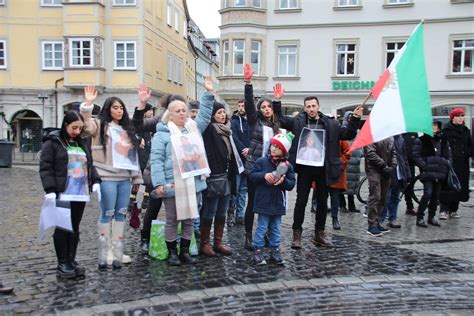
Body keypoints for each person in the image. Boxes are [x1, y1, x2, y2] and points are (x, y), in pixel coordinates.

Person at [150, 76, 214, 266]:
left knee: (188, 219)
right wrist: (159, 184)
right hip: (173, 183)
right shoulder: (162, 134)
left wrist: (209, 94)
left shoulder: (192, 129)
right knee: (172, 219)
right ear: (169, 114)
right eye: (177, 111)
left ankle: (185, 251)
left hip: (191, 182)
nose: (181, 113)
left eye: (184, 110)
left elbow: (204, 116)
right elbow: (156, 160)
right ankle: (172, 253)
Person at [286, 97, 362, 249]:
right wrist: (277, 101)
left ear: (318, 106)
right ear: (304, 108)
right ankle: (297, 234)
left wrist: (355, 119)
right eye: (308, 106)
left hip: (323, 168)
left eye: (313, 106)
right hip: (305, 168)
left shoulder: (331, 123)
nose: (311, 109)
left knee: (322, 202)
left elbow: (347, 134)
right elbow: (280, 120)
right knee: (301, 202)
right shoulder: (299, 121)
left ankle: (319, 234)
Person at [81, 86, 143, 269]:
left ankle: (117, 250)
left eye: (121, 108)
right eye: (115, 107)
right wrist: (88, 105)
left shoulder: (126, 129)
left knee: (120, 214)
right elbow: (86, 127)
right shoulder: (100, 125)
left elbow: (132, 156)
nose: (119, 111)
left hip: (124, 178)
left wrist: (137, 179)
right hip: (106, 176)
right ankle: (105, 250)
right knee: (107, 212)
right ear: (108, 109)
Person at [39, 110, 101, 278]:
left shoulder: (82, 143)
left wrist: (95, 181)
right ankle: (62, 262)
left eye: (80, 128)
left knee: (74, 226)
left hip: (79, 192)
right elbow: (46, 167)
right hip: (62, 191)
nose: (77, 132)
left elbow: (89, 164)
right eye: (74, 128)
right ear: (65, 125)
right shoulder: (53, 143)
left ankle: (71, 259)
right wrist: (50, 190)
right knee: (62, 226)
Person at [242, 64, 292, 251]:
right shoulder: (255, 121)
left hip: (274, 168)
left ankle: (270, 236)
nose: (266, 109)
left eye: (268, 106)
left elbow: (281, 118)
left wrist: (278, 101)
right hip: (256, 168)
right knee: (253, 204)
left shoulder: (278, 124)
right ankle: (249, 236)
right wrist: (248, 84)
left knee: (271, 203)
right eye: (263, 107)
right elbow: (248, 105)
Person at [132, 90, 184, 253]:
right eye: (175, 108)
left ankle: (178, 241)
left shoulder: (186, 122)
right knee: (154, 206)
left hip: (179, 173)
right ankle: (145, 238)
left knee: (179, 209)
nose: (179, 111)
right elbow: (139, 125)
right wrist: (141, 105)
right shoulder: (160, 120)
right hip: (158, 172)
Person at [250, 132, 296, 265]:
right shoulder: (261, 161)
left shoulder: (287, 166)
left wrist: (283, 181)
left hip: (277, 202)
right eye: (272, 146)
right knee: (262, 227)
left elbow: (291, 184)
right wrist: (264, 175)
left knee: (276, 228)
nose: (273, 148)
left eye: (277, 147)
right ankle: (258, 250)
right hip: (263, 201)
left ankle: (275, 250)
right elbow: (252, 176)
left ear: (283, 151)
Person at [200, 101, 238, 257]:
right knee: (210, 211)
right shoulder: (209, 130)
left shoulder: (227, 130)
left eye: (223, 112)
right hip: (215, 177)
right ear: (212, 115)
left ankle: (218, 242)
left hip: (227, 177)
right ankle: (204, 243)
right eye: (219, 113)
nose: (222, 115)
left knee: (222, 211)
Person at [413, 121, 451, 228]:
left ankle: (431, 216)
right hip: (428, 172)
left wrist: (447, 165)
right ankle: (420, 217)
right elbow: (416, 155)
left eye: (436, 126)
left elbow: (449, 156)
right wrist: (425, 166)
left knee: (435, 196)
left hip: (440, 172)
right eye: (432, 125)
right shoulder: (421, 140)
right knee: (427, 194)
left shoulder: (443, 141)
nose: (434, 128)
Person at [439, 108, 472, 219]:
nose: (460, 118)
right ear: (453, 118)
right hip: (450, 163)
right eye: (458, 116)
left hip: (462, 163)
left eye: (462, 116)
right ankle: (444, 210)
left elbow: (470, 145)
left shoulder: (466, 130)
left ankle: (454, 209)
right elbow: (442, 147)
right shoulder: (446, 131)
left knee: (460, 186)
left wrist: (468, 154)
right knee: (448, 186)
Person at [128, 102, 155, 229]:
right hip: (140, 154)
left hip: (148, 154)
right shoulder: (141, 125)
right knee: (138, 178)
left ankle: (145, 199)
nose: (151, 113)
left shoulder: (152, 124)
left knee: (148, 178)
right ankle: (132, 199)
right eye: (150, 111)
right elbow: (133, 132)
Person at [364, 137, 397, 237]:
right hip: (374, 170)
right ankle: (372, 225)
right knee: (375, 196)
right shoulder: (371, 136)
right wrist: (383, 165)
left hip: (386, 170)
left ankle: (377, 222)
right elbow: (370, 153)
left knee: (383, 197)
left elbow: (394, 152)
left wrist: (393, 165)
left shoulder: (390, 137)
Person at [379, 134, 411, 229]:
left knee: (395, 197)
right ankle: (381, 219)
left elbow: (404, 157)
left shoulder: (400, 139)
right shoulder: (384, 138)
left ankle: (392, 218)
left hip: (399, 172)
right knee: (386, 197)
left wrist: (407, 172)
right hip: (388, 171)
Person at [229, 99, 250, 226]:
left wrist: (250, 150)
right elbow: (235, 139)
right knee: (234, 190)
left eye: (243, 106)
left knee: (243, 190)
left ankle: (240, 215)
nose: (241, 108)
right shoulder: (234, 122)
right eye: (240, 106)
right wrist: (244, 150)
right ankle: (231, 214)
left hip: (248, 161)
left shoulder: (251, 121)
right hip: (237, 161)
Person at [340, 111, 362, 213]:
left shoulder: (357, 132)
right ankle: (342, 205)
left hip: (354, 163)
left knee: (352, 187)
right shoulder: (342, 131)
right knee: (342, 185)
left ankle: (351, 205)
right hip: (345, 163)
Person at [329, 140, 351, 230]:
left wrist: (338, 163)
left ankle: (335, 218)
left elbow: (347, 153)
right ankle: (319, 222)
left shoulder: (340, 136)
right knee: (321, 197)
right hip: (323, 169)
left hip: (335, 170)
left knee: (334, 196)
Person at [402, 133, 418, 216]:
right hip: (400, 163)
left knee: (409, 186)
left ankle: (409, 207)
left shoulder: (414, 133)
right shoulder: (398, 132)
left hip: (411, 164)